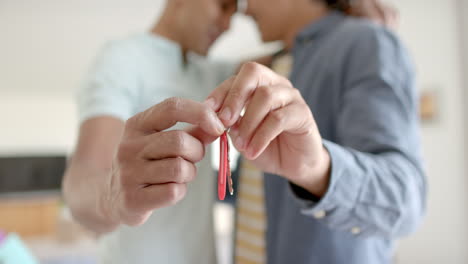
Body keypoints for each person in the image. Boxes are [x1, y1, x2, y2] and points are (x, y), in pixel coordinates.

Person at [62, 0, 400, 263]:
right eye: (222, 6)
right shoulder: (121, 60)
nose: (228, 24)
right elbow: (80, 182)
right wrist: (110, 196)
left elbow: (299, 47)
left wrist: (353, 16)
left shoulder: (213, 75)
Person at [205, 0, 426, 263]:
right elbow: (259, 192)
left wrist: (318, 169)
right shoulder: (274, 64)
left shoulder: (367, 41)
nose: (245, 10)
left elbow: (405, 199)